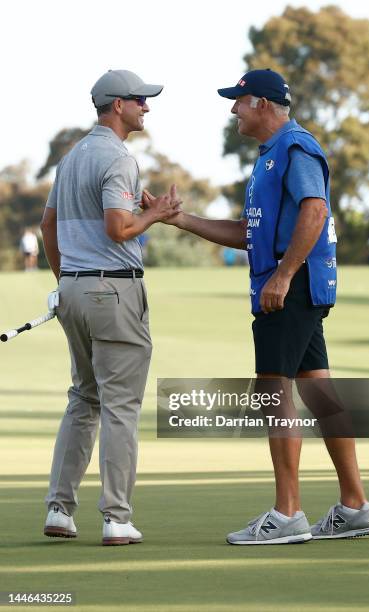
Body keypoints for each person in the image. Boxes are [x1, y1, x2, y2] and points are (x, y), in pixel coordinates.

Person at [151, 69, 369, 545]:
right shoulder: (270, 158)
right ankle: (355, 505)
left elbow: (314, 211)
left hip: (289, 288)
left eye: (238, 100)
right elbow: (248, 232)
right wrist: (181, 220)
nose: (233, 109)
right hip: (294, 285)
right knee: (320, 394)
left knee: (274, 395)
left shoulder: (295, 148)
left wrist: (283, 273)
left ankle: (288, 513)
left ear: (260, 103)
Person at [40, 69, 179, 546]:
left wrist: (67, 283)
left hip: (75, 293)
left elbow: (47, 227)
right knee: (120, 406)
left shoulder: (73, 156)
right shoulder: (118, 157)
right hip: (113, 291)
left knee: (84, 399)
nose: (147, 107)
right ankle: (117, 518)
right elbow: (119, 228)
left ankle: (59, 510)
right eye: (140, 100)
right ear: (116, 105)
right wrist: (156, 214)